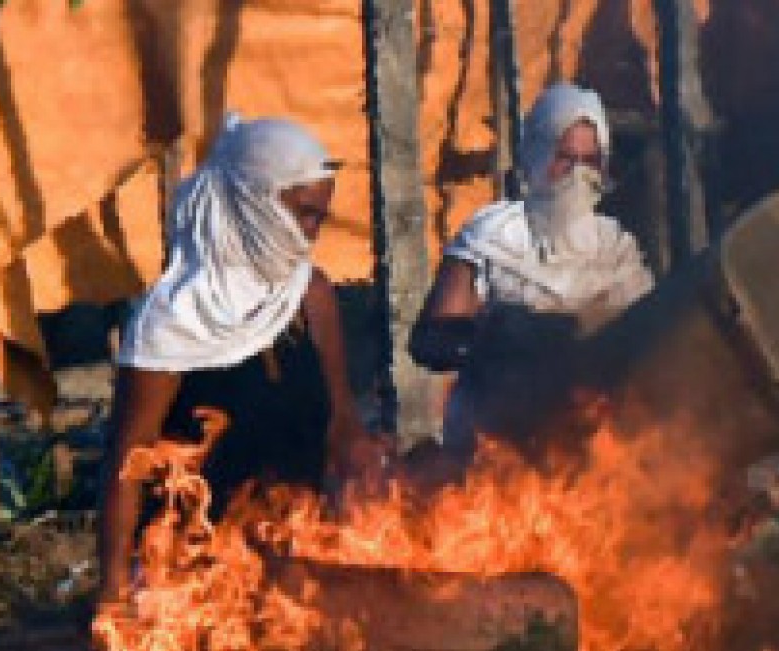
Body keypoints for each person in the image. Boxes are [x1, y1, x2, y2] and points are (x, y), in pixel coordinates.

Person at [97, 114, 383, 604]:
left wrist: (381, 496)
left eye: (319, 216)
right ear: (253, 205)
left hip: (294, 564)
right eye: (302, 213)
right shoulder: (173, 318)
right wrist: (113, 590)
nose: (311, 233)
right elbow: (129, 463)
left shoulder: (309, 297)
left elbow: (340, 422)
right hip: (194, 576)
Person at [409, 82, 655, 465]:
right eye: (564, 157)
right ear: (538, 154)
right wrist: (495, 339)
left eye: (588, 161)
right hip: (487, 449)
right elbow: (430, 340)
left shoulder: (616, 250)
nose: (576, 174)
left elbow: (645, 347)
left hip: (583, 453)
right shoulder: (492, 233)